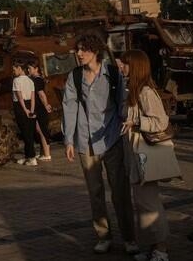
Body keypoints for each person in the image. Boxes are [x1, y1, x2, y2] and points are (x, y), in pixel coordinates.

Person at [62, 34, 137, 254]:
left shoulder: (113, 74)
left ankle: (129, 238)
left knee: (120, 192)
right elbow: (70, 108)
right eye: (77, 50)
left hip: (112, 138)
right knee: (95, 192)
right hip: (86, 143)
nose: (79, 54)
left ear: (95, 51)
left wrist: (131, 122)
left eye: (83, 49)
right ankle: (103, 236)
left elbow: (122, 104)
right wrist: (69, 140)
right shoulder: (75, 77)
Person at [119, 50, 179, 261]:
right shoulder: (133, 91)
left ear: (135, 67)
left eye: (125, 64)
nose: (121, 66)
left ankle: (161, 249)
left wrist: (136, 122)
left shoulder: (145, 92)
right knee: (143, 204)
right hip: (136, 157)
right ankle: (153, 247)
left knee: (150, 204)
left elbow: (160, 122)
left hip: (145, 155)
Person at [11, 62, 37, 166]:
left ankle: (32, 157)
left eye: (14, 69)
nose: (13, 72)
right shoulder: (30, 80)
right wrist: (31, 109)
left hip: (20, 106)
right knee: (29, 132)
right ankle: (28, 156)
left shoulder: (16, 80)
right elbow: (33, 97)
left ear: (19, 68)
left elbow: (19, 96)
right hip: (30, 105)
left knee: (26, 133)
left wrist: (25, 110)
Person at [27, 61, 53, 161]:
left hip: (40, 108)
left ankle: (47, 154)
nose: (28, 70)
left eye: (30, 68)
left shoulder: (37, 80)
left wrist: (46, 105)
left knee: (43, 130)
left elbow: (41, 94)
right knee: (39, 130)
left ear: (36, 69)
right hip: (38, 108)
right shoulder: (35, 80)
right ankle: (43, 153)